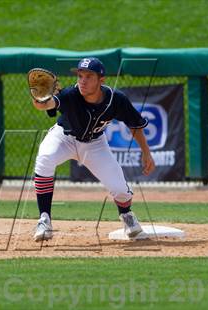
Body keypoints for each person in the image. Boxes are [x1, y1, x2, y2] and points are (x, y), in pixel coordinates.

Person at [31, 57, 155, 241]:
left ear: (101, 80)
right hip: (64, 138)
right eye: (80, 75)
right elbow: (45, 105)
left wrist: (146, 152)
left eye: (89, 76)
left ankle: (127, 216)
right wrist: (39, 97)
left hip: (95, 145)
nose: (82, 80)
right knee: (45, 158)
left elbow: (135, 125)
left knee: (120, 189)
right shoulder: (70, 94)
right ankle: (44, 219)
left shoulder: (116, 99)